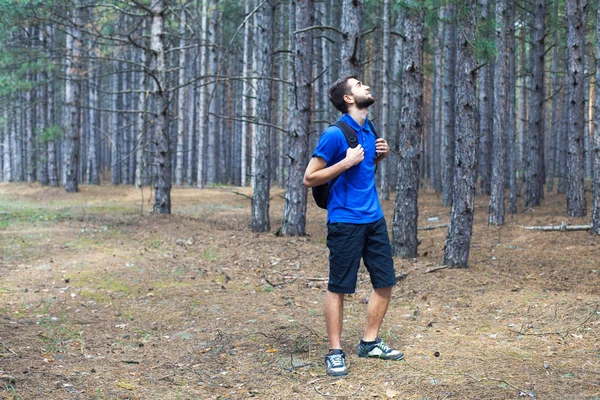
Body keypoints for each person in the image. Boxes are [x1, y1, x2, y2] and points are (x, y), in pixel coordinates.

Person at [303, 75, 403, 377]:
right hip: (345, 221)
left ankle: (369, 342)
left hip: (374, 219)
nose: (367, 87)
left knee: (385, 282)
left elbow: (364, 171)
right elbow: (309, 177)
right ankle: (334, 352)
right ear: (348, 98)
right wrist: (344, 163)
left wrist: (379, 157)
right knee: (339, 287)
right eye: (359, 85)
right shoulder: (335, 134)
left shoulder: (370, 129)